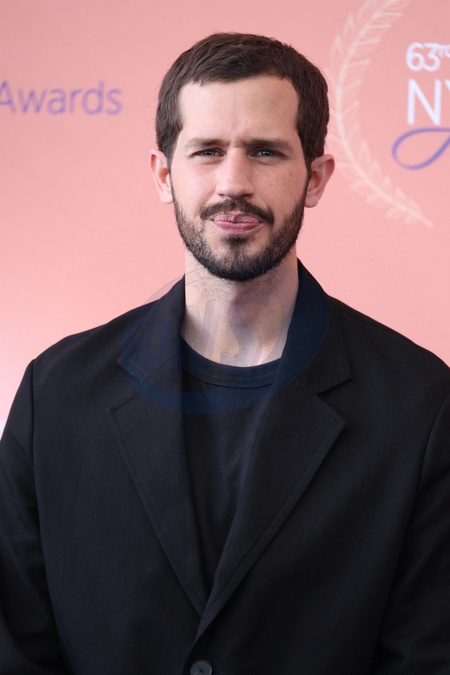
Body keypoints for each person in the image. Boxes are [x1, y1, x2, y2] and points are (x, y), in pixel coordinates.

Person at [1, 32, 449, 675]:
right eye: (207, 151)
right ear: (164, 174)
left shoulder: (420, 405)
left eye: (265, 152)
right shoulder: (55, 395)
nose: (234, 183)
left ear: (316, 178)